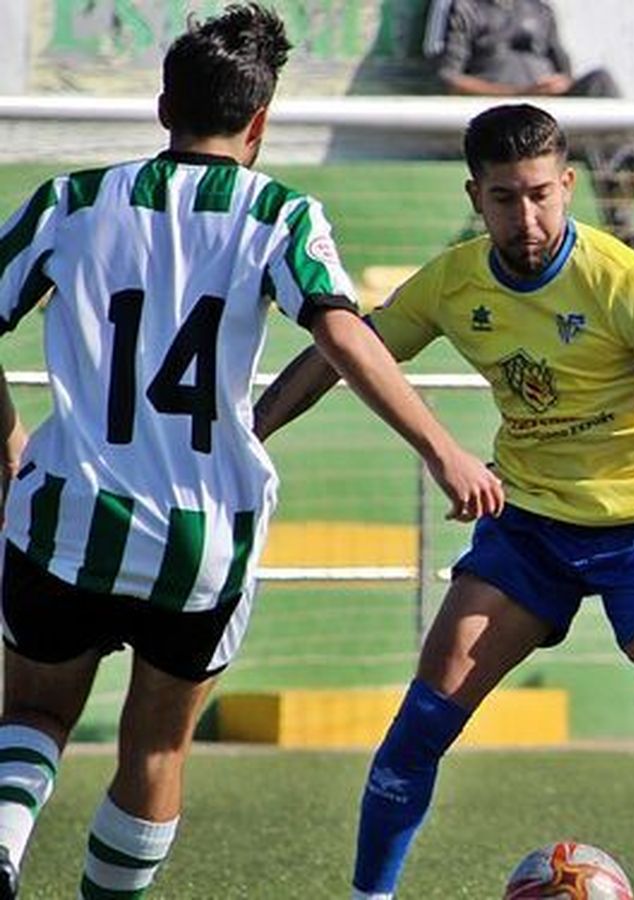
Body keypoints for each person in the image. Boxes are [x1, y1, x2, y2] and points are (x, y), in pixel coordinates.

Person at [251, 103, 634, 900]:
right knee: (422, 722)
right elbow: (344, 352)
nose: (527, 217)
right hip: (531, 526)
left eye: (540, 195)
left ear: (568, 184)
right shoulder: (453, 284)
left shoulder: (627, 284)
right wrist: (250, 432)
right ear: (474, 197)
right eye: (504, 199)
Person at [0, 5, 504, 899]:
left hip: (68, 513)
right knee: (155, 743)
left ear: (163, 107)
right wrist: (442, 450)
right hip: (203, 535)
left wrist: (9, 439)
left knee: (35, 713)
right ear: (260, 123)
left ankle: (2, 849)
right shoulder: (278, 213)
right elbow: (343, 335)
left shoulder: (70, 202)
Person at [424, 0, 634, 257]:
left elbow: (564, 72)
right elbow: (447, 79)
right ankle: (623, 214)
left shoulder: (539, 10)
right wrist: (522, 93)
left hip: (549, 116)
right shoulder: (463, 8)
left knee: (600, 83)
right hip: (499, 122)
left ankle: (631, 166)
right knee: (595, 141)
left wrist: (555, 88)